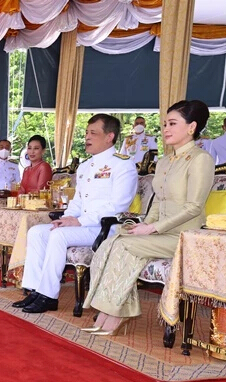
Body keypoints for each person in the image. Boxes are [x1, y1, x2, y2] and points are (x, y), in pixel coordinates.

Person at [83, 100, 214, 335]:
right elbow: (157, 201)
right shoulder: (164, 161)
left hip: (185, 236)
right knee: (112, 242)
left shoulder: (200, 159)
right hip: (160, 232)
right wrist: (145, 224)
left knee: (123, 246)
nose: (166, 129)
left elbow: (194, 207)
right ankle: (111, 311)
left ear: (192, 127)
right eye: (165, 124)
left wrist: (153, 229)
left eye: (172, 123)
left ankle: (113, 314)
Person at [14, 115, 138, 314]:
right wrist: (66, 219)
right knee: (37, 231)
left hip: (105, 227)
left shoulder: (122, 164)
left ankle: (48, 296)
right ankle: (35, 289)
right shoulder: (85, 166)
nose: (87, 137)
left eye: (93, 133)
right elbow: (78, 201)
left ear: (109, 137)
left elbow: (118, 205)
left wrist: (78, 222)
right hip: (83, 225)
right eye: (86, 133)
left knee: (58, 235)